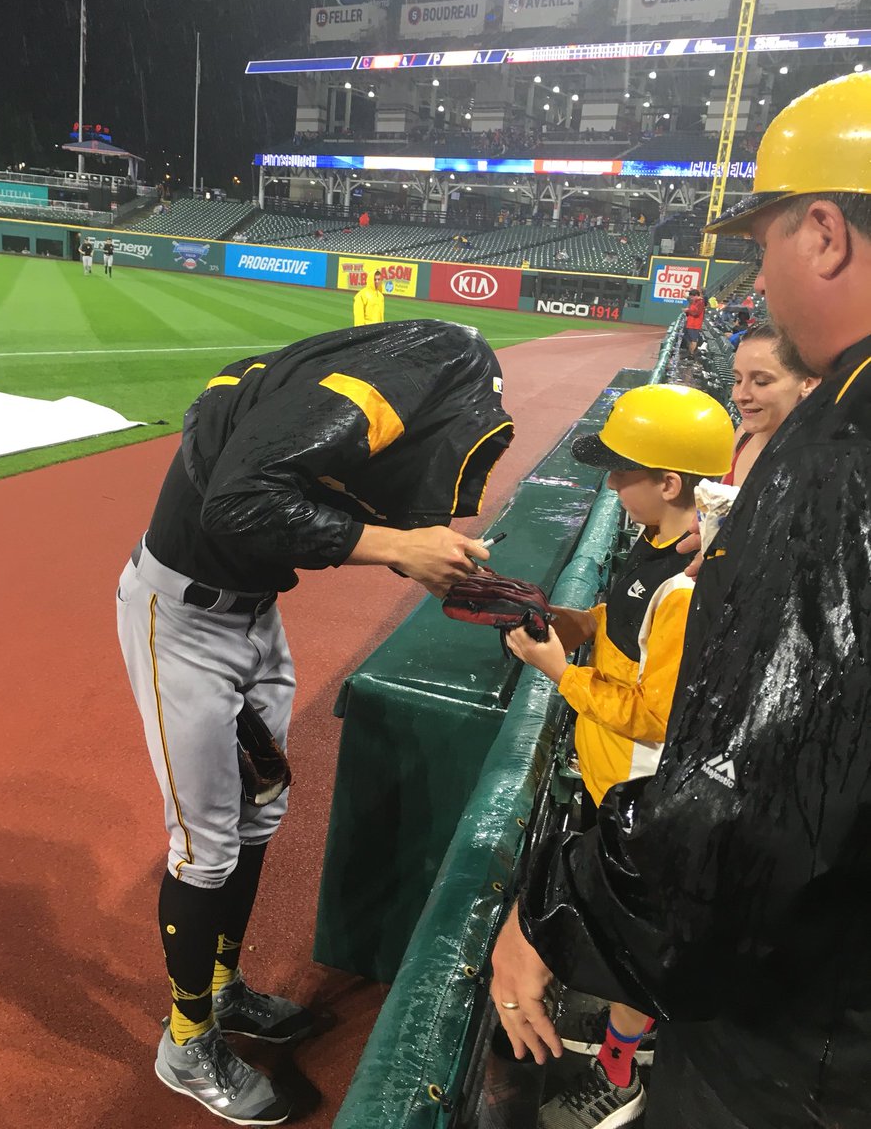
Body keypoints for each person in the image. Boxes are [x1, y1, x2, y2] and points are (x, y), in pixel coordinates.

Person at [489, 71, 871, 1128]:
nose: (760, 268)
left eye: (768, 239)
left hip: (811, 1042)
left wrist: (546, 916)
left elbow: (756, 807)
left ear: (827, 234)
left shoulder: (840, 450)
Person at [117, 320, 515, 1126]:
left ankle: (222, 991)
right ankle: (185, 1042)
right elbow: (238, 506)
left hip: (253, 616)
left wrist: (408, 547)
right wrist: (395, 544)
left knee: (261, 812)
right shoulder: (353, 391)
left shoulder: (327, 382)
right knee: (205, 846)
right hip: (182, 625)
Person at [504, 385, 733, 1129]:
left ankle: (621, 1074)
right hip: (613, 776)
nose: (609, 484)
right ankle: (628, 1039)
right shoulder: (662, 543)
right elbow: (621, 626)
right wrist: (570, 624)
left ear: (667, 483)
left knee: (633, 944)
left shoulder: (687, 588)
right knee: (626, 937)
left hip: (641, 790)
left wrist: (556, 672)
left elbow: (655, 717)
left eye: (621, 472)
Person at [724, 325, 820, 486]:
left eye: (762, 382)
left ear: (807, 383)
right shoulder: (743, 434)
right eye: (738, 380)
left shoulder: (820, 466)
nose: (741, 395)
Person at [683, 288, 705, 355]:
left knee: (693, 340)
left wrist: (688, 310)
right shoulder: (695, 301)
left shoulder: (700, 302)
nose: (691, 298)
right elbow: (685, 296)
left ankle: (691, 354)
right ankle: (689, 353)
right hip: (691, 323)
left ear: (696, 295)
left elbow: (696, 313)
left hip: (695, 324)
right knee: (688, 339)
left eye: (692, 297)